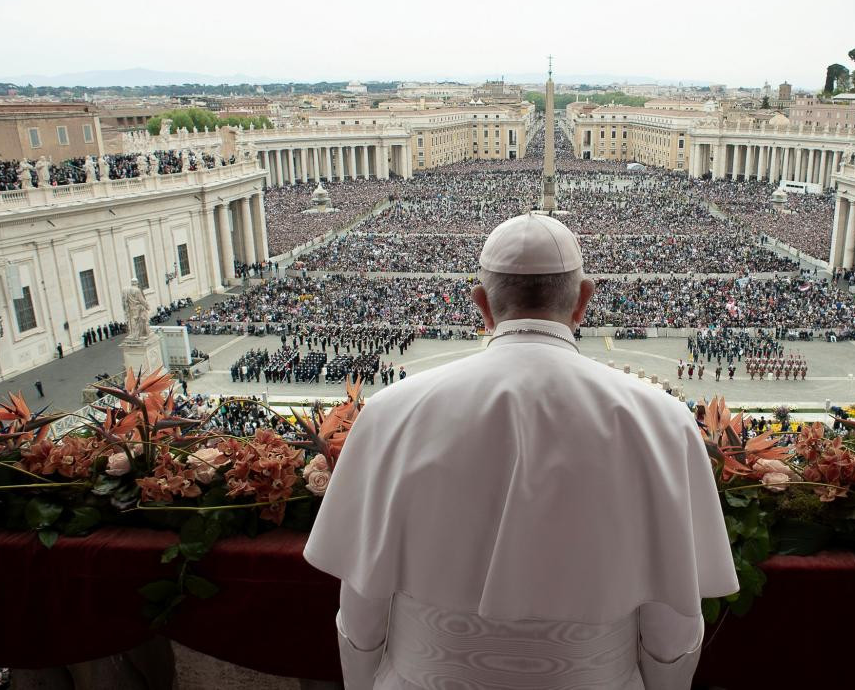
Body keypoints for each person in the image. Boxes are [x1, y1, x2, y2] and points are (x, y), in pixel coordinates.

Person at [305, 212, 737, 690]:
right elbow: (672, 621)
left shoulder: (390, 412)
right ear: (583, 302)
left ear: (481, 304)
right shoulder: (663, 420)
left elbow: (362, 608)